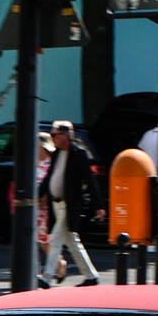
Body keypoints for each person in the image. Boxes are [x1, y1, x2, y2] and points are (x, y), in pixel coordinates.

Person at [42, 120, 99, 286]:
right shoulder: (57, 154)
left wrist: (98, 205)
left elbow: (90, 180)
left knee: (55, 240)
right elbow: (49, 177)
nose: (52, 138)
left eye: (54, 135)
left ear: (65, 135)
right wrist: (39, 194)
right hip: (56, 204)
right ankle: (91, 276)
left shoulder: (78, 154)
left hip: (69, 205)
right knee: (72, 242)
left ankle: (47, 277)